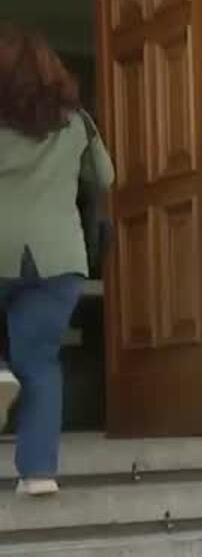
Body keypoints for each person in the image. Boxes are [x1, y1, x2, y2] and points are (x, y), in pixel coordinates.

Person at [0, 24, 112, 497]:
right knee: (41, 362)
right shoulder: (77, 123)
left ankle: (1, 373)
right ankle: (39, 474)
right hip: (58, 257)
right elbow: (106, 177)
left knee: (15, 361)